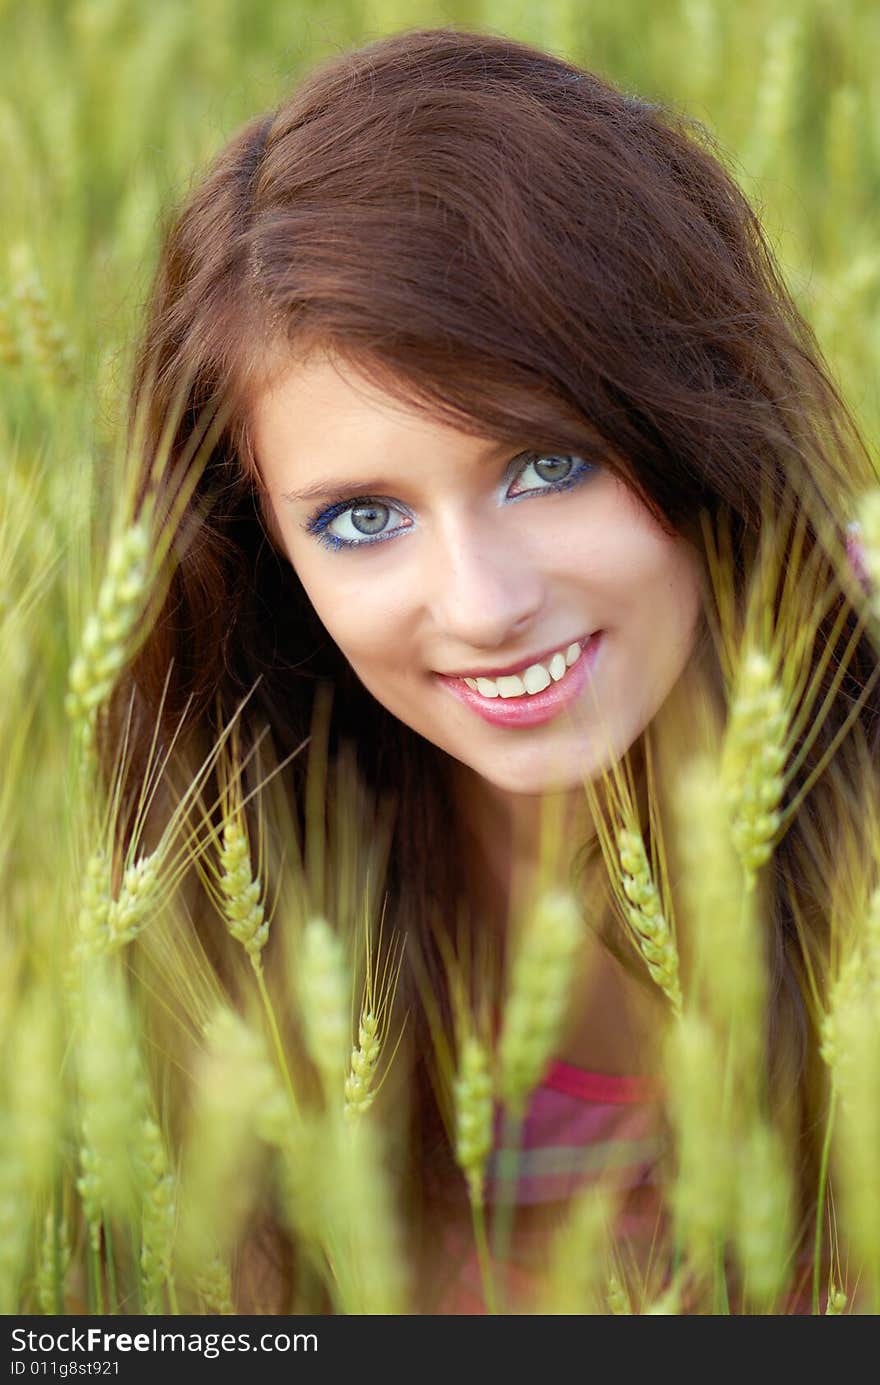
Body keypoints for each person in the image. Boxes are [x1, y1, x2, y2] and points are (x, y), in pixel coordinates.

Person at [105, 26, 879, 1313]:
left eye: (547, 463)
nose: (483, 605)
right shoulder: (204, 870)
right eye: (361, 516)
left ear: (695, 419)